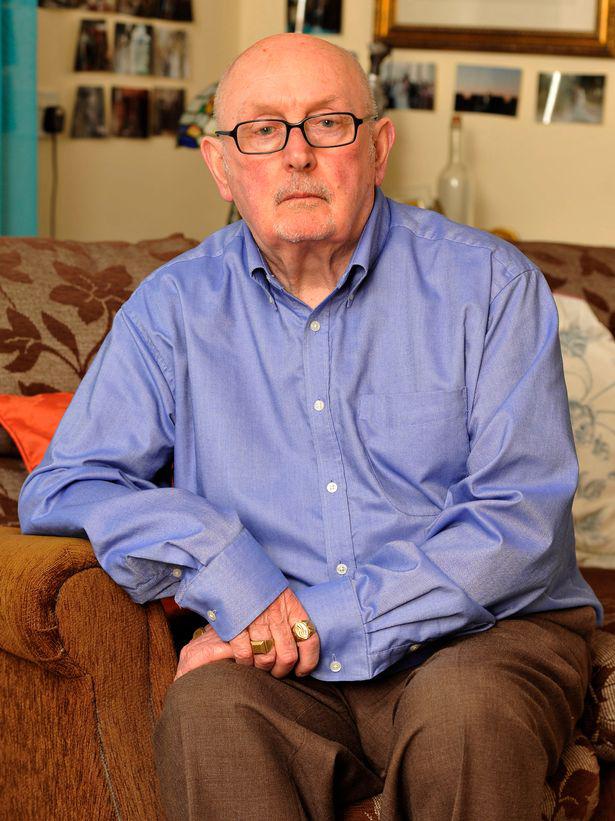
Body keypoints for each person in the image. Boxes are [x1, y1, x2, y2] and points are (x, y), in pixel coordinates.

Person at [19, 33, 602, 821]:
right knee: (207, 710)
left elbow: (518, 523)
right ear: (220, 165)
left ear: (378, 147)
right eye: (262, 130)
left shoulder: (491, 287)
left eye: (327, 123)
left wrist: (313, 619)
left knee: (465, 715)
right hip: (275, 658)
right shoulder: (172, 309)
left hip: (483, 637)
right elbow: (63, 486)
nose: (296, 155)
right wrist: (220, 558)